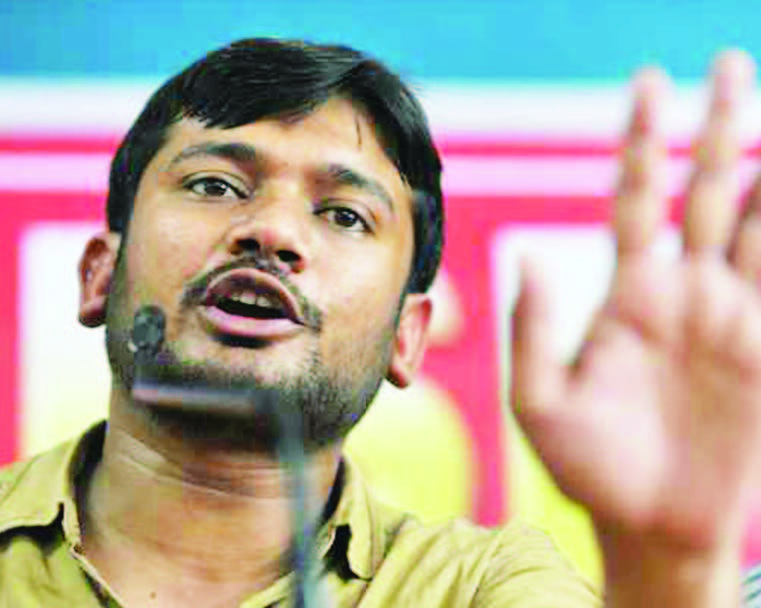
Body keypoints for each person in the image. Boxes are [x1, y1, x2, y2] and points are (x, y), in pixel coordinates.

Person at [0, 37, 760, 607]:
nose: (271, 233)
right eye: (214, 183)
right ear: (99, 272)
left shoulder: (475, 588)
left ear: (408, 337)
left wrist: (671, 567)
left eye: (343, 214)